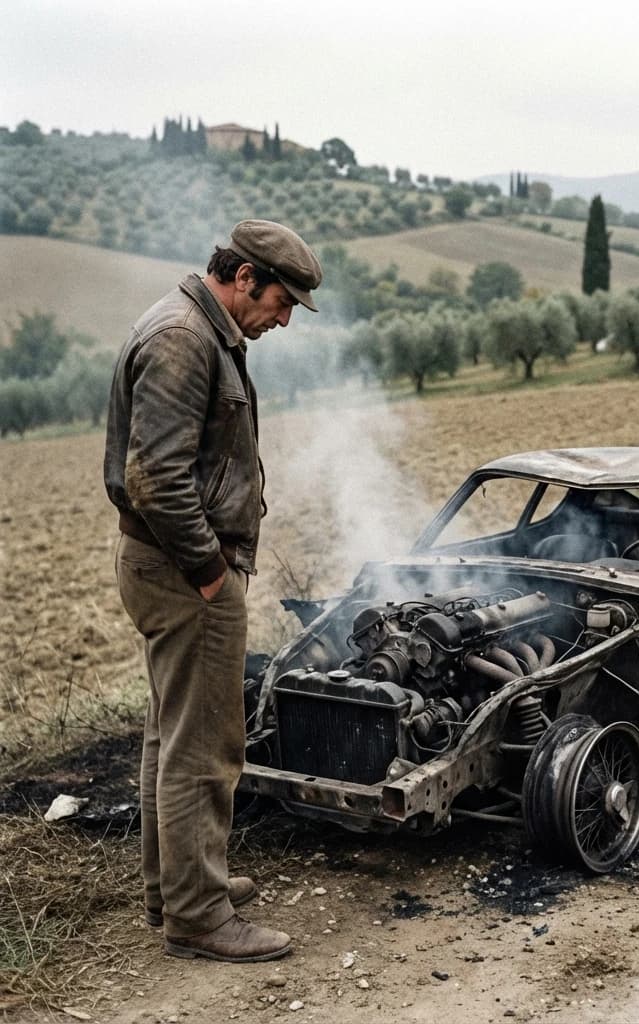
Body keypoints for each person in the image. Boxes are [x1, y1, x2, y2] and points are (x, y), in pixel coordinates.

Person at [104, 220, 322, 962]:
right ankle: (199, 916)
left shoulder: (201, 328)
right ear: (244, 278)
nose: (284, 320)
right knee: (205, 744)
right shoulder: (183, 339)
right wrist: (208, 571)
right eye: (282, 302)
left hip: (171, 567)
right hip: (183, 572)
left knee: (173, 733)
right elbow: (155, 478)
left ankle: (175, 888)